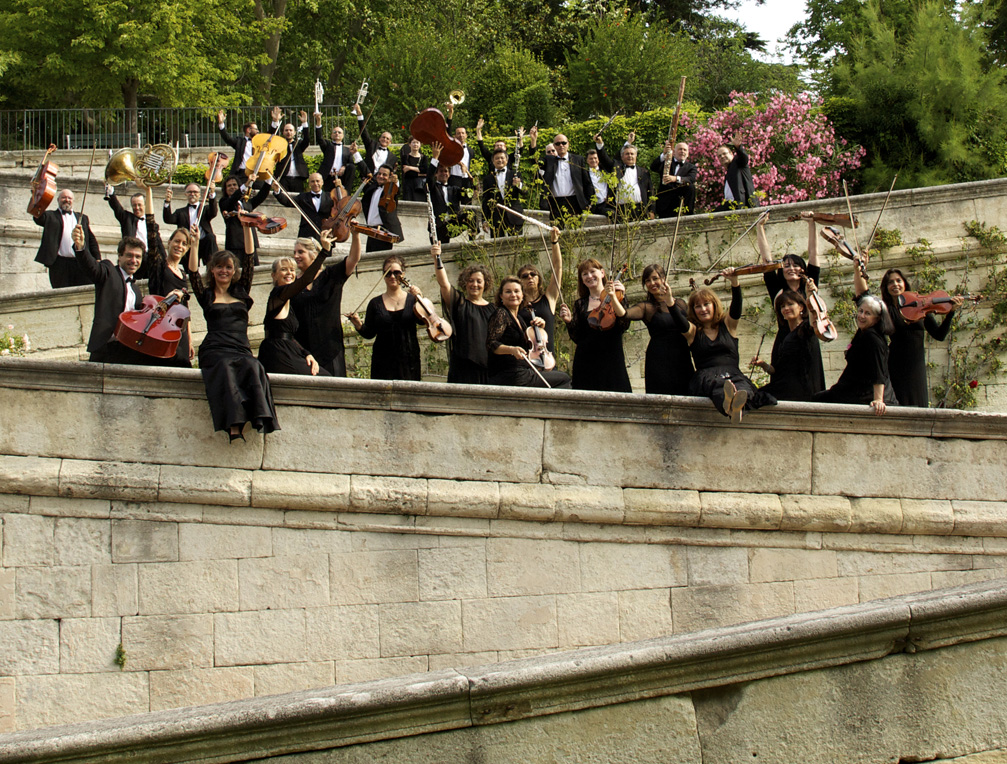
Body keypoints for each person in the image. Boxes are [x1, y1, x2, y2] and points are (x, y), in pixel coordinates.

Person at [186, 226, 278, 440]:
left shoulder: (241, 290)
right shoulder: (206, 295)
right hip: (215, 349)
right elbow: (192, 273)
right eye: (219, 267)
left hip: (240, 347)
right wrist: (194, 245)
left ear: (233, 271)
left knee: (253, 366)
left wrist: (246, 227)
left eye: (228, 267)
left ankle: (256, 419)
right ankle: (233, 426)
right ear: (212, 270)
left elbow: (248, 258)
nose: (224, 271)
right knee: (226, 368)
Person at [671, 270, 777, 423]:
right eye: (697, 306)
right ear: (693, 310)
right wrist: (669, 301)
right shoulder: (693, 332)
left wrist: (735, 282)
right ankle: (730, 404)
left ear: (714, 305)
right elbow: (679, 321)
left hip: (733, 373)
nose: (703, 309)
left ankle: (733, 405)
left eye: (706, 304)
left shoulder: (728, 325)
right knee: (719, 387)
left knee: (743, 389)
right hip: (707, 376)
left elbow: (736, 308)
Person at [853, 259, 962, 407]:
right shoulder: (885, 310)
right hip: (896, 364)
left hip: (916, 364)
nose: (895, 284)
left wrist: (951, 313)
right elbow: (864, 296)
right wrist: (858, 268)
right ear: (886, 287)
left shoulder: (919, 307)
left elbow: (939, 335)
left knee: (919, 405)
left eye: (899, 280)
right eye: (891, 282)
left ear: (904, 283)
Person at [72, 229, 174, 366]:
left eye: (138, 257)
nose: (134, 260)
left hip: (128, 349)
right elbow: (91, 267)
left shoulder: (136, 290)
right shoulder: (108, 271)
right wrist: (80, 247)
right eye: (129, 255)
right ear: (119, 256)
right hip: (106, 348)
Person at [756, 212, 826, 394]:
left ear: (802, 268)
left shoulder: (809, 284)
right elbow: (767, 260)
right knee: (783, 382)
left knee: (810, 383)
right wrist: (760, 227)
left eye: (795, 265)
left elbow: (813, 253)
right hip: (785, 339)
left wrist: (811, 224)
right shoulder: (777, 289)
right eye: (786, 265)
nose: (791, 268)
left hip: (808, 340)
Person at [257, 230, 335, 377]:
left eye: (292, 270)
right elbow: (305, 280)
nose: (289, 273)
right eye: (283, 270)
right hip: (276, 353)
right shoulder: (277, 294)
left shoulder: (289, 299)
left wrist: (306, 354)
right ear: (274, 275)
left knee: (326, 377)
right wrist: (324, 252)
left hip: (289, 350)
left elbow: (289, 337)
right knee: (324, 379)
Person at [289, 227, 363, 377]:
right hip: (304, 350)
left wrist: (355, 235)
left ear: (314, 254)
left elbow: (353, 259)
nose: (296, 256)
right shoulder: (292, 284)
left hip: (330, 348)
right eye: (294, 252)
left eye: (300, 252)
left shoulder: (330, 275)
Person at [813, 293, 896, 415]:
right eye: (861, 311)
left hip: (863, 393)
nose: (862, 316)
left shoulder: (872, 337)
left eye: (868, 313)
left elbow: (879, 369)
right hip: (852, 387)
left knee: (817, 401)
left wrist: (878, 399)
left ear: (877, 318)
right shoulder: (863, 332)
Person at [346, 254, 425, 381]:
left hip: (409, 360)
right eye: (388, 273)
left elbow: (422, 322)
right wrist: (358, 324)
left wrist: (420, 299)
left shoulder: (412, 300)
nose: (392, 276)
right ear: (383, 275)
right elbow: (370, 333)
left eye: (396, 273)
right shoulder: (375, 303)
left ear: (403, 274)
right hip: (383, 361)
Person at [558, 258, 632, 393]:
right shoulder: (580, 304)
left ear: (602, 273)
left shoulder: (618, 296)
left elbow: (624, 324)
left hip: (612, 360)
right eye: (584, 274)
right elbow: (578, 337)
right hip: (586, 361)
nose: (589, 276)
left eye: (593, 271)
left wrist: (614, 298)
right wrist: (569, 321)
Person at [487, 277, 572, 389]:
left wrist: (540, 328)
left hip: (522, 371)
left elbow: (529, 345)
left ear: (522, 296)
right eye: (508, 292)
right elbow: (491, 343)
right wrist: (511, 350)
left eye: (517, 291)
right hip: (511, 373)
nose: (513, 295)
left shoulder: (519, 319)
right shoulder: (501, 313)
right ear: (501, 296)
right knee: (564, 379)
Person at [625, 264, 694, 395]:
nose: (651, 283)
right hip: (659, 359)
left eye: (655, 278)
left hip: (682, 357)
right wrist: (617, 295)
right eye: (647, 281)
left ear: (663, 278)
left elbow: (692, 328)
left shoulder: (680, 304)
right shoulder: (647, 307)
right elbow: (624, 314)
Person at [432, 242, 496, 384]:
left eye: (479, 281)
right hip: (463, 368)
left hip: (489, 367)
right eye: (470, 281)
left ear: (485, 284)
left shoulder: (494, 309)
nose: (475, 284)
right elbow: (444, 284)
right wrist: (437, 258)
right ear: (465, 283)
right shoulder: (460, 304)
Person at [750, 290, 817, 402]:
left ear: (801, 307)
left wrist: (810, 294)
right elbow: (775, 370)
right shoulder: (785, 336)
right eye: (782, 306)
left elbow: (814, 320)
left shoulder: (805, 328)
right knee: (752, 393)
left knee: (756, 397)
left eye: (790, 304)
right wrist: (762, 364)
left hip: (798, 387)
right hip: (784, 384)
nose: (786, 308)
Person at [147, 227, 196, 367]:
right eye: (177, 241)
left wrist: (190, 340)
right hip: (163, 326)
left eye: (184, 243)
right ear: (169, 242)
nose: (179, 246)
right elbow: (152, 240)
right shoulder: (160, 267)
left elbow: (186, 310)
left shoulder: (182, 273)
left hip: (181, 330)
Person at [33, 188, 101, 288]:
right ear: (58, 200)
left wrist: (97, 258)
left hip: (80, 262)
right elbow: (38, 217)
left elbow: (91, 239)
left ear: (73, 201)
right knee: (61, 293)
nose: (67, 200)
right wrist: (36, 196)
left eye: (69, 198)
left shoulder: (82, 218)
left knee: (84, 291)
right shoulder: (50, 216)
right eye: (63, 197)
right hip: (60, 264)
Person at [103, 181, 164, 280]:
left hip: (150, 260)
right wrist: (110, 191)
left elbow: (159, 243)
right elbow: (116, 207)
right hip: (134, 259)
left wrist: (166, 262)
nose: (137, 208)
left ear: (145, 205)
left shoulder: (152, 224)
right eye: (134, 205)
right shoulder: (126, 218)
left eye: (139, 205)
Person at [516, 226, 563, 354]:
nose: (530, 277)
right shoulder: (517, 304)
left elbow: (557, 268)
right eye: (525, 276)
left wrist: (554, 242)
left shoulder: (549, 299)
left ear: (539, 278)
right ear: (519, 282)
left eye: (533, 274)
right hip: (526, 357)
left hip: (548, 356)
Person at [532, 131, 592, 225]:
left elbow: (586, 181)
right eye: (557, 144)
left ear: (568, 144)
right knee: (556, 232)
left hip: (574, 202)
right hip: (554, 203)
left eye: (563, 143)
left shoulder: (578, 159)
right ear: (554, 146)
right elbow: (534, 160)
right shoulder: (549, 160)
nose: (561, 145)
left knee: (575, 232)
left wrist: (589, 201)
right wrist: (533, 140)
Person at [352, 149, 403, 253]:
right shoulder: (373, 187)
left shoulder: (391, 190)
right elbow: (365, 170)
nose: (381, 176)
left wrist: (396, 182)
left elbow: (397, 191)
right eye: (379, 174)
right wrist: (355, 154)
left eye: (384, 175)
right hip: (371, 230)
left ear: (390, 177)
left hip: (384, 231)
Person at [596, 132, 652, 222]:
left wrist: (651, 211)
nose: (630, 156)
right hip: (621, 211)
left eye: (632, 154)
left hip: (640, 209)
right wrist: (599, 144)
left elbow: (650, 192)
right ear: (622, 157)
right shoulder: (616, 168)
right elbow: (604, 159)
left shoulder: (644, 172)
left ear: (636, 156)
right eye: (627, 154)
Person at [427, 142, 476, 243]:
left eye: (446, 171)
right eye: (441, 171)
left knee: (471, 214)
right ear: (436, 174)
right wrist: (435, 158)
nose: (444, 173)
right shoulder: (432, 187)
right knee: (439, 252)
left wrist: (464, 174)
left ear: (449, 174)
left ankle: (473, 241)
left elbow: (466, 197)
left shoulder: (454, 189)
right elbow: (429, 178)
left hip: (453, 223)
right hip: (438, 226)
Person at [218, 176, 270, 263]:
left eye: (234, 185)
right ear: (225, 189)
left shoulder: (246, 202)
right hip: (235, 244)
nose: (232, 187)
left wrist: (268, 182)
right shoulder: (224, 202)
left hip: (250, 242)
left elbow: (261, 196)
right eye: (229, 186)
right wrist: (246, 185)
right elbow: (233, 199)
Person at [163, 182, 217, 265]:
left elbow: (213, 212)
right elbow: (168, 219)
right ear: (185, 194)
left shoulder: (205, 209)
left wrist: (212, 193)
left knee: (210, 238)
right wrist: (167, 201)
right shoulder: (180, 212)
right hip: (189, 244)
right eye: (189, 192)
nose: (192, 194)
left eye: (195, 192)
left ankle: (212, 267)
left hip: (204, 242)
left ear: (199, 194)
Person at [272, 172, 331, 240]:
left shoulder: (330, 197)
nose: (315, 184)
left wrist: (339, 187)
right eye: (312, 181)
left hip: (325, 234)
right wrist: (277, 191)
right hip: (306, 234)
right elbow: (288, 202)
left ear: (322, 182)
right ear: (309, 183)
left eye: (317, 181)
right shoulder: (303, 197)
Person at [481, 148, 525, 238]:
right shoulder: (488, 179)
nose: (500, 160)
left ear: (507, 160)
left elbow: (526, 191)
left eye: (502, 158)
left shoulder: (515, 174)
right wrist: (484, 220)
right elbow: (485, 201)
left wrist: (519, 184)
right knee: (497, 248)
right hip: (496, 218)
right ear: (493, 161)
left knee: (516, 246)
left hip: (514, 216)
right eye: (497, 158)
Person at [651, 140, 697, 217]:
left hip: (680, 203)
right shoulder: (666, 162)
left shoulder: (691, 167)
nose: (682, 151)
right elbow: (653, 167)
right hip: (665, 204)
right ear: (674, 152)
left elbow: (691, 179)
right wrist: (664, 154)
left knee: (691, 187)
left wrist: (675, 178)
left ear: (688, 154)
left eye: (684, 150)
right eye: (680, 149)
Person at [715, 133, 757, 211]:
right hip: (731, 205)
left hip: (743, 204)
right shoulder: (728, 172)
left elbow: (743, 158)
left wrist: (738, 147)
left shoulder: (737, 163)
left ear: (731, 154)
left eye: (724, 154)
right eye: (719, 156)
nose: (722, 157)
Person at [315, 114, 356, 192]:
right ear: (331, 135)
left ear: (343, 136)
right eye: (335, 132)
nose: (337, 133)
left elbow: (351, 164)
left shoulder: (347, 150)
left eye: (339, 132)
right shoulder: (328, 145)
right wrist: (318, 121)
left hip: (341, 178)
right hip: (328, 177)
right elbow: (319, 138)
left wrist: (344, 167)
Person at [352, 102, 397, 174]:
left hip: (381, 181)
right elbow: (364, 132)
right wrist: (360, 115)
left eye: (387, 139)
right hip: (367, 178)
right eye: (383, 137)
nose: (385, 139)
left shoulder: (393, 157)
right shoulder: (371, 145)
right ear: (379, 139)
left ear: (390, 142)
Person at [217, 109, 259, 179]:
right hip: (241, 173)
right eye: (256, 129)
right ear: (248, 130)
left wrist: (275, 122)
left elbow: (269, 134)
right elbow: (227, 138)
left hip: (255, 173)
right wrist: (221, 123)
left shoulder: (259, 142)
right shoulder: (239, 141)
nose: (258, 131)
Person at [275, 110, 311, 192]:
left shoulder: (298, 144)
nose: (288, 132)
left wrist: (304, 123)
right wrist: (276, 121)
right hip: (284, 177)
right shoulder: (280, 145)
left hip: (298, 178)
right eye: (286, 130)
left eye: (291, 130)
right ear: (283, 132)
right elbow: (273, 137)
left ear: (294, 133)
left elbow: (307, 139)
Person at [585, 149, 613, 216]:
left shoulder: (605, 171)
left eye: (595, 158)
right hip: (591, 206)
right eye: (591, 158)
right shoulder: (585, 174)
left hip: (606, 204)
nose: (593, 160)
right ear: (587, 160)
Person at [401, 138, 430, 202]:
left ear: (420, 145)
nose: (415, 144)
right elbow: (407, 173)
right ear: (409, 144)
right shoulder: (405, 157)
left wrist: (410, 168)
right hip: (409, 185)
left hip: (420, 186)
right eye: (413, 142)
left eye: (417, 142)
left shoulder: (424, 157)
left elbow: (425, 170)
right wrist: (420, 173)